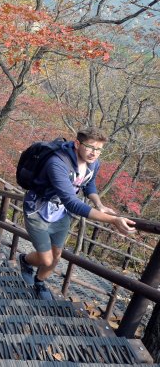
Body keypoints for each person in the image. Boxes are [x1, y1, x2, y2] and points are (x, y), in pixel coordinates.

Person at [18, 127, 136, 301]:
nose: (94, 153)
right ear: (77, 144)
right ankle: (25, 260)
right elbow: (72, 202)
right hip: (38, 210)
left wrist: (99, 204)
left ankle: (40, 282)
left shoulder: (93, 163)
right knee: (47, 259)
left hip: (61, 213)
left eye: (99, 149)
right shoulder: (57, 163)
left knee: (56, 256)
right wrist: (113, 220)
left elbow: (89, 184)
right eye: (90, 147)